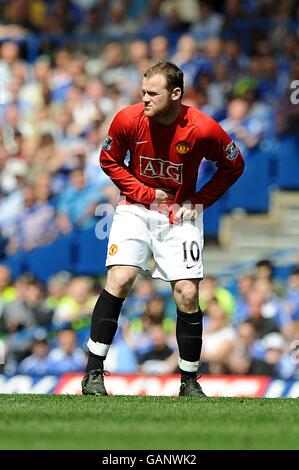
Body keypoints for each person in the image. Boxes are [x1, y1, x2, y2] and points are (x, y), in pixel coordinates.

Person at [81, 62, 244, 397]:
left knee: (186, 294)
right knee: (121, 279)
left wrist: (199, 200)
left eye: (151, 93)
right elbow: (108, 159)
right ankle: (93, 373)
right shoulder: (128, 119)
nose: (144, 99)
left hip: (181, 214)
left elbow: (234, 165)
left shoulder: (203, 128)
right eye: (142, 92)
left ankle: (188, 382)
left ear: (175, 94)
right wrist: (142, 193)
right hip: (135, 209)